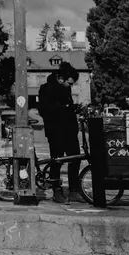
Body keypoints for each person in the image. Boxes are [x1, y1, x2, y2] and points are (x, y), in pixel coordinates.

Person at [38, 61, 81, 203]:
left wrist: (73, 108)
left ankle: (74, 190)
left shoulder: (65, 88)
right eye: (69, 83)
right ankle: (57, 192)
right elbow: (45, 110)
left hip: (70, 131)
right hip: (56, 131)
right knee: (57, 161)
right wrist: (65, 107)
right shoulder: (46, 89)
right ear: (61, 79)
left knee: (75, 158)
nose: (71, 86)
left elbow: (67, 107)